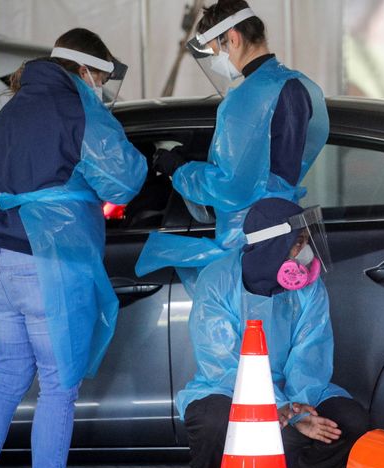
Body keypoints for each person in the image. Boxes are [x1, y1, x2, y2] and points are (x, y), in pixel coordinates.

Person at [0, 28, 147, 468]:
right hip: (49, 261)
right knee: (59, 384)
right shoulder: (77, 108)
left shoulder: (9, 109)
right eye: (100, 78)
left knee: (8, 375)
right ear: (84, 70)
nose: (100, 87)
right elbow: (123, 178)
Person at [179, 198, 369, 468]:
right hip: (226, 387)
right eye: (299, 243)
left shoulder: (308, 286)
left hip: (295, 393)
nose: (305, 251)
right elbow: (222, 361)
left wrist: (298, 408)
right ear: (272, 244)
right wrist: (280, 407)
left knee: (347, 420)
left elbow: (311, 353)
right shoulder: (217, 281)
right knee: (212, 421)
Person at [135, 0, 329, 294]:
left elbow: (231, 186)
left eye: (215, 50)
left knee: (243, 335)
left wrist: (179, 169)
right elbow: (272, 162)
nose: (215, 60)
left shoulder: (247, 98)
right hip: (287, 236)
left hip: (249, 242)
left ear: (234, 38)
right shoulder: (298, 86)